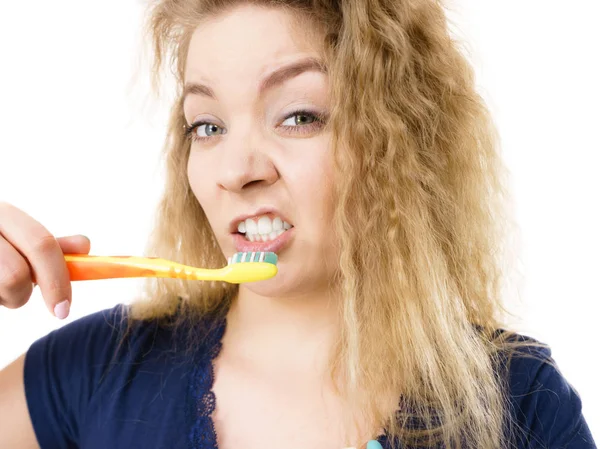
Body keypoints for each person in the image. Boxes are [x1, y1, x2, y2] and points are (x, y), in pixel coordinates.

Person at [0, 1, 596, 448]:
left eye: (299, 116)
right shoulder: (100, 365)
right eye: (207, 126)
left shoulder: (521, 401)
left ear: (401, 143)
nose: (236, 171)